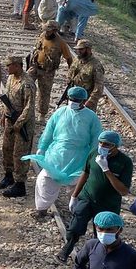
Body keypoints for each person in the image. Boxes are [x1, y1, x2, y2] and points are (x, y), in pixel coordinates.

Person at [59, 131, 134, 262]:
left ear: (115, 146)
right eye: (100, 142)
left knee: (101, 236)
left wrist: (106, 170)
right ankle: (67, 249)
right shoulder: (94, 153)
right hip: (88, 197)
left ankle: (95, 261)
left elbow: (123, 191)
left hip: (108, 204)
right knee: (75, 227)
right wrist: (74, 196)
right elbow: (85, 173)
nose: (102, 146)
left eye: (106, 144)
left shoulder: (125, 162)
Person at [28, 87, 101, 219]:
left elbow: (96, 138)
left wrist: (93, 156)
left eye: (76, 100)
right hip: (57, 154)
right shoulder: (60, 112)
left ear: (83, 101)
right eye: (71, 99)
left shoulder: (91, 117)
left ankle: (77, 212)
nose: (73, 102)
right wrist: (42, 147)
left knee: (77, 185)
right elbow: (49, 130)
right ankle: (42, 209)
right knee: (44, 180)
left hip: (78, 157)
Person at [0, 55, 38, 198]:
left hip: (22, 124)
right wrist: (4, 114)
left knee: (20, 153)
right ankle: (8, 175)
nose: (6, 68)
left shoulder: (27, 83)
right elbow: (8, 99)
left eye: (8, 65)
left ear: (17, 65)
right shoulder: (10, 79)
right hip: (10, 121)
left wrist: (19, 123)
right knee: (7, 149)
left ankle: (20, 184)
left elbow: (29, 107)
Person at [29, 20, 74, 117]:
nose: (46, 32)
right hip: (35, 67)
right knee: (25, 84)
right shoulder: (42, 35)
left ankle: (42, 114)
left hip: (47, 72)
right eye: (45, 30)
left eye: (48, 31)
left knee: (44, 93)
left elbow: (69, 59)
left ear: (55, 31)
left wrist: (71, 73)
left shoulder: (61, 43)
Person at [68, 40, 106, 112]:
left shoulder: (96, 65)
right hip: (74, 97)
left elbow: (99, 86)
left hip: (86, 99)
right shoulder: (77, 60)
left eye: (81, 49)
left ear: (88, 49)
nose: (78, 51)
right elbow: (70, 76)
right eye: (77, 49)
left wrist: (91, 101)